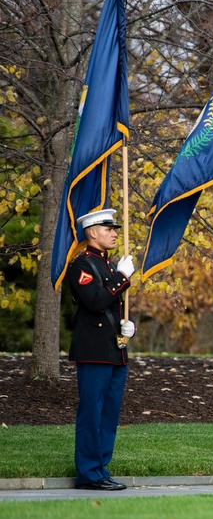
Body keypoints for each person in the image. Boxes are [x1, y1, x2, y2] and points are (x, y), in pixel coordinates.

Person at [67, 209, 135, 490]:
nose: (115, 233)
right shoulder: (82, 265)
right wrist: (122, 276)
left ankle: (101, 467)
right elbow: (95, 302)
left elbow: (114, 305)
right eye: (109, 228)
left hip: (114, 349)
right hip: (94, 350)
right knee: (91, 413)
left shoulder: (106, 265)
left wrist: (128, 326)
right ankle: (88, 472)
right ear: (92, 232)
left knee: (109, 414)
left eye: (115, 229)